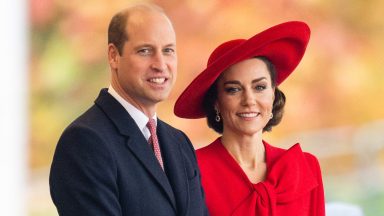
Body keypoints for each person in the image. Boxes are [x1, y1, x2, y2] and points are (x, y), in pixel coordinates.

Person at [49, 4, 207, 216]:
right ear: (114, 56)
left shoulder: (179, 143)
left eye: (168, 50)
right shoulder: (84, 142)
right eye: (145, 51)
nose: (160, 64)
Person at [174, 21, 325, 215]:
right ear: (216, 102)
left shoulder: (304, 168)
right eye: (234, 90)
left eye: (259, 87)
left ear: (273, 94)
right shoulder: (191, 171)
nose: (249, 100)